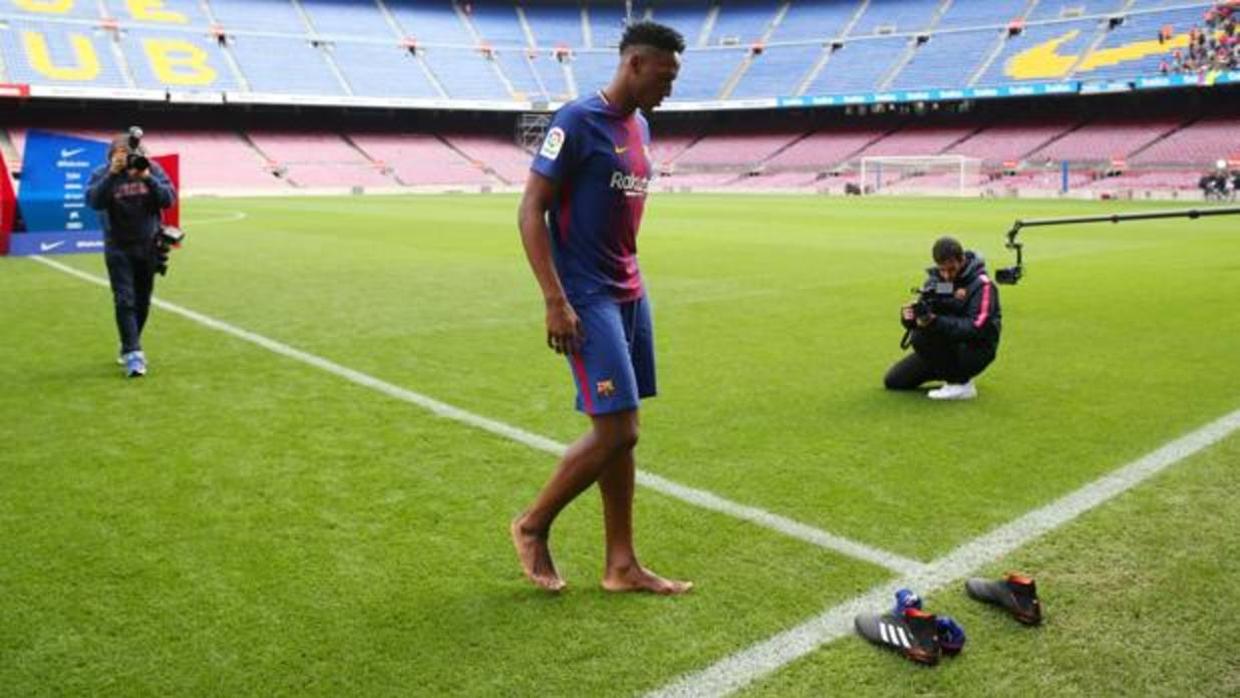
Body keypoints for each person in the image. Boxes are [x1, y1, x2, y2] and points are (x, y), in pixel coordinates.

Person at [511, 21, 691, 595]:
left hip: (631, 291)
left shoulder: (640, 124)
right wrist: (554, 299)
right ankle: (532, 525)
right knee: (618, 430)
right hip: (586, 297)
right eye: (664, 76)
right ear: (634, 64)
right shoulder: (576, 121)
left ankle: (621, 565)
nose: (669, 88)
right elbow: (530, 210)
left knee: (624, 433)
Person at [85, 131, 177, 377]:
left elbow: (169, 199)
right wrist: (112, 174)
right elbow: (94, 202)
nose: (128, 161)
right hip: (118, 247)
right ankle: (134, 353)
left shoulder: (152, 169)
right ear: (112, 156)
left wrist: (147, 178)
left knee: (142, 300)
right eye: (122, 156)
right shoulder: (101, 174)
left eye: (132, 156)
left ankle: (129, 341)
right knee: (124, 299)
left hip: (148, 246)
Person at [884, 236, 1001, 401]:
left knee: (921, 336)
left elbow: (978, 327)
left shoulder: (982, 285)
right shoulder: (937, 282)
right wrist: (909, 318)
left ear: (962, 260)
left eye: (951, 269)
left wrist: (934, 321)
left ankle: (960, 384)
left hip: (976, 349)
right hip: (944, 346)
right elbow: (924, 313)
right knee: (894, 381)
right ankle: (950, 373)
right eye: (942, 270)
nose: (946, 275)